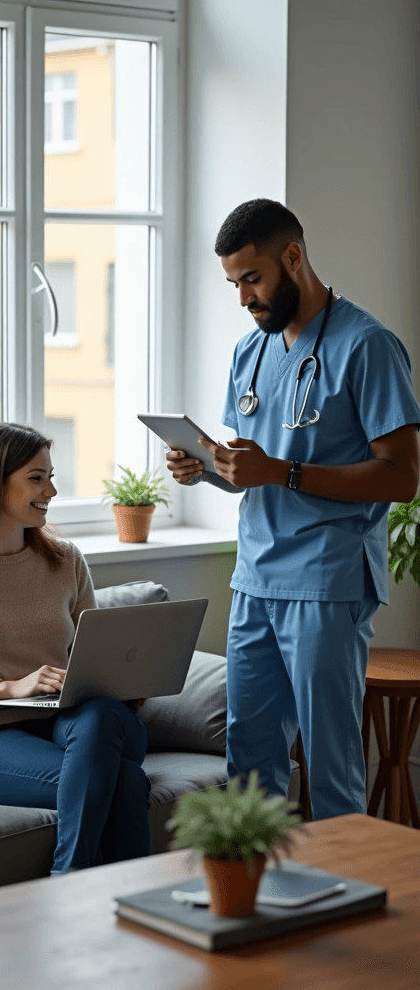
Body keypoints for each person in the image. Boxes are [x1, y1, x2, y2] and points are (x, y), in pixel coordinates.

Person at [167, 198, 420, 820]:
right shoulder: (248, 352)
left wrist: (279, 470)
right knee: (248, 766)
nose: (244, 297)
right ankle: (264, 907)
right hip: (255, 578)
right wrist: (208, 470)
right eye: (233, 284)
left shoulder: (368, 345)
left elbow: (403, 476)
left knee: (331, 765)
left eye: (252, 279)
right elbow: (254, 472)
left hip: (327, 580)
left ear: (293, 257)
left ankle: (351, 910)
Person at [0, 422, 151, 873]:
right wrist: (9, 687)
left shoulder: (66, 559)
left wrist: (127, 677)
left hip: (75, 723)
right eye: (36, 478)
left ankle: (69, 887)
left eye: (50, 476)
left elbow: (95, 652)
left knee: (106, 714)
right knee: (126, 780)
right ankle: (103, 895)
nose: (51, 489)